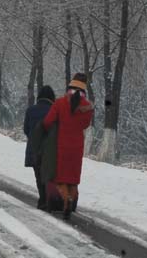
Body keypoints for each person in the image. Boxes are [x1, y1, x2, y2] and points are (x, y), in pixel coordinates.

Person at [42, 73, 95, 221]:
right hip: (77, 147)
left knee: (61, 180)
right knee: (72, 179)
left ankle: (66, 200)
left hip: (61, 146)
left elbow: (47, 122)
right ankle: (71, 198)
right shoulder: (87, 107)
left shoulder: (60, 103)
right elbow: (85, 125)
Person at [23, 85, 56, 209]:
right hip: (50, 149)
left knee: (38, 175)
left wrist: (33, 138)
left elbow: (26, 129)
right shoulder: (54, 110)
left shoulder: (30, 110)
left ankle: (43, 199)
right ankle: (49, 199)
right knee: (49, 175)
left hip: (34, 149)